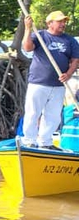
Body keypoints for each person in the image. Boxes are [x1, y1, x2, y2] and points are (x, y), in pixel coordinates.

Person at [21, 10, 79, 150]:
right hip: (38, 82)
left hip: (58, 84)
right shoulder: (40, 35)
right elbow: (27, 48)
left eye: (64, 21)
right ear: (50, 23)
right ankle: (29, 140)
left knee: (53, 114)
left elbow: (75, 60)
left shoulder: (70, 40)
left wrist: (69, 74)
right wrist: (27, 29)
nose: (63, 24)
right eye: (59, 21)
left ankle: (45, 142)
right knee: (33, 112)